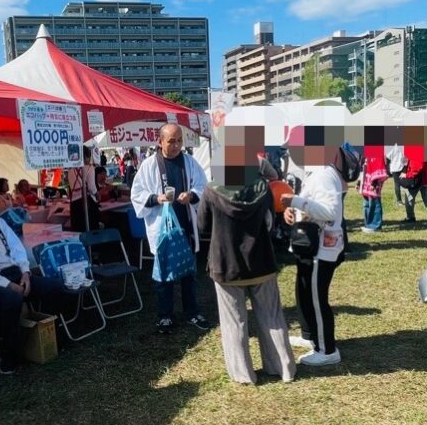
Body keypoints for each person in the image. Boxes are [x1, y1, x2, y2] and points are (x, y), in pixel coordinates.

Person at [199, 136, 295, 384]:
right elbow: (270, 223)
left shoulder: (210, 190)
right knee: (272, 316)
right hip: (261, 261)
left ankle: (244, 374)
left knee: (234, 322)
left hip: (226, 264)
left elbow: (203, 227)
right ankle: (283, 368)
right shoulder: (263, 189)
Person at [0, 184, 67, 375]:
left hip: (15, 274)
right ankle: (10, 354)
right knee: (11, 299)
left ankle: (51, 336)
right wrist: (8, 285)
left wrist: (25, 273)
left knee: (54, 286)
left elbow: (17, 249)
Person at [131, 123, 210, 333]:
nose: (176, 146)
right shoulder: (149, 165)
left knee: (189, 274)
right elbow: (136, 194)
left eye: (179, 141)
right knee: (164, 275)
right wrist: (156, 198)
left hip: (185, 226)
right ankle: (165, 316)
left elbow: (203, 185)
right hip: (162, 230)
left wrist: (191, 195)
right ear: (160, 142)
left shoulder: (189, 162)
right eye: (171, 141)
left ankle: (192, 312)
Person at [284, 138, 346, 366]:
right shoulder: (315, 172)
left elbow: (329, 211)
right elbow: (309, 203)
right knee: (306, 294)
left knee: (317, 297)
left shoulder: (324, 174)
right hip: (311, 245)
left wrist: (296, 201)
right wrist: (292, 210)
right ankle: (310, 335)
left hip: (322, 248)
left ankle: (327, 349)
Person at [67, 146, 101, 231]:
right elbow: (91, 187)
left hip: (74, 204)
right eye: (88, 156)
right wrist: (97, 195)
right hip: (86, 203)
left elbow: (71, 188)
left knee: (78, 230)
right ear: (84, 156)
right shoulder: (90, 168)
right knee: (91, 230)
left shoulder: (70, 170)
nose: (89, 159)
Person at [359, 153, 388, 231]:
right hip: (367, 178)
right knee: (367, 203)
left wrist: (375, 182)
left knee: (374, 202)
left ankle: (374, 225)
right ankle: (368, 223)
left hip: (375, 179)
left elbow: (379, 165)